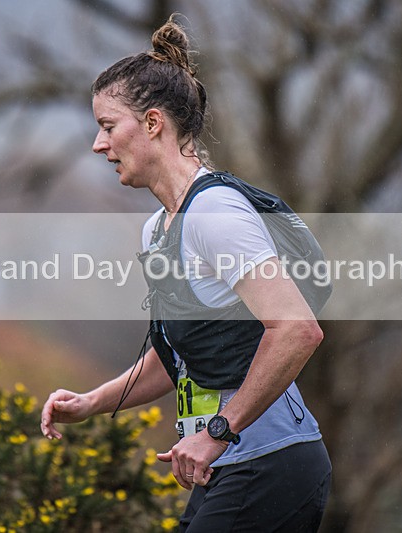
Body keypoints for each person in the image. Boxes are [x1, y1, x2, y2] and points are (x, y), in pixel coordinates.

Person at [41, 14, 331, 531]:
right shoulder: (158, 228)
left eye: (108, 127)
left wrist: (216, 431)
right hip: (228, 468)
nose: (98, 145)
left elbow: (296, 330)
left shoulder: (215, 214)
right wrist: (92, 403)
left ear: (153, 123)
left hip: (272, 465)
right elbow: (175, 354)